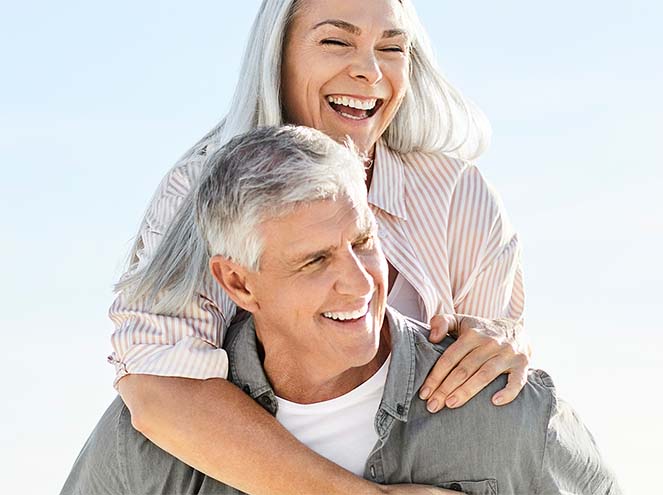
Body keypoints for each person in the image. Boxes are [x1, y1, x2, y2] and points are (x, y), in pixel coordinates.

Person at [108, 0, 531, 493]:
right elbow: (159, 388)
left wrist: (501, 342)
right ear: (277, 56)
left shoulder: (456, 193)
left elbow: (492, 385)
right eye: (336, 41)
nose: (370, 71)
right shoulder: (202, 189)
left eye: (392, 48)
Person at [63, 126, 619, 495]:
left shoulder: (503, 410)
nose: (359, 283)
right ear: (238, 283)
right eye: (314, 261)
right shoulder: (149, 446)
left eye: (363, 242)